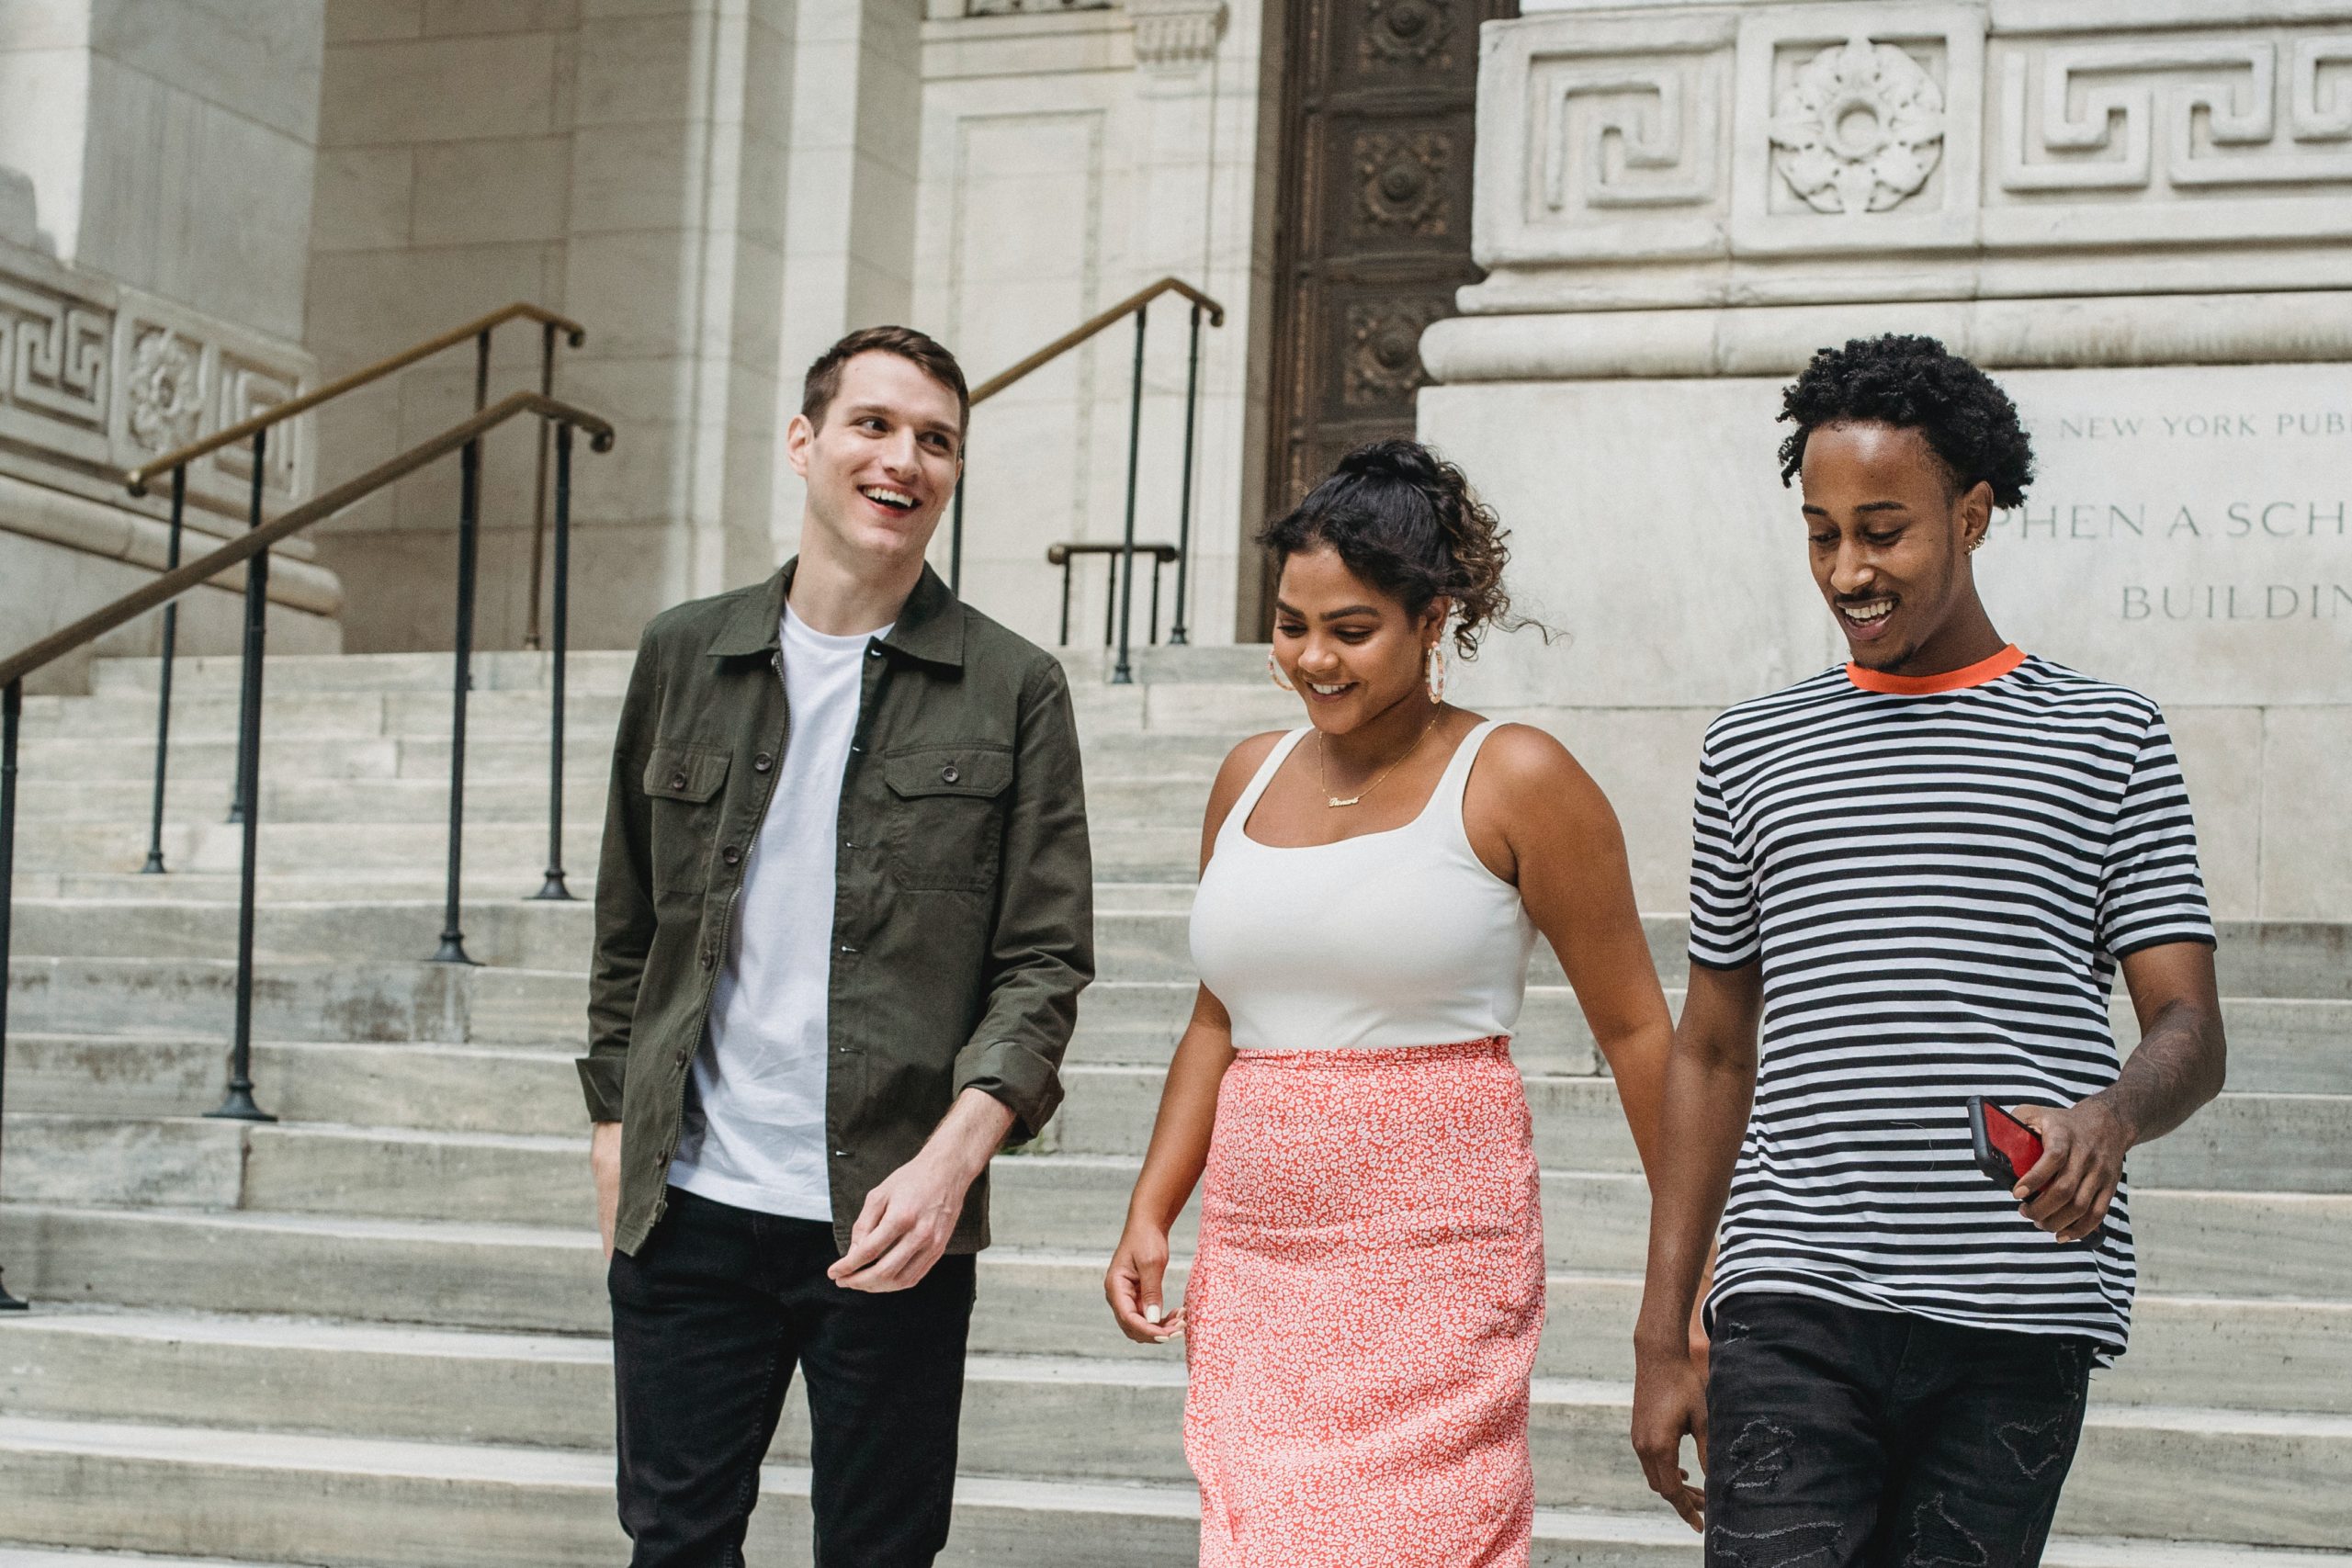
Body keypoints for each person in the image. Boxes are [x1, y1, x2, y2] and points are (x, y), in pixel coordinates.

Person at [1630, 334, 2229, 1566]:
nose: (1847, 568)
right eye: (1821, 531)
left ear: (1972, 512)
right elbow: (1711, 1046)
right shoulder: (1751, 750)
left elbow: (2190, 1028)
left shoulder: (2108, 736)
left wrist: (2110, 1115)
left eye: (1884, 529)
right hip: (1792, 1295)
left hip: (2018, 1305)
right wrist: (1662, 1320)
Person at [1104, 440, 1677, 1568]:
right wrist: (1151, 1206)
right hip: (1261, 1258)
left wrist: (1695, 1263)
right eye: (1288, 624)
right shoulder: (1247, 774)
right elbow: (1217, 1019)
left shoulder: (1516, 775)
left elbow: (1637, 1034)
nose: (1311, 659)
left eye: (1349, 629)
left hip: (1434, 1251)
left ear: (1433, 619)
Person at [579, 324, 1094, 1566]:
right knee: (674, 1542)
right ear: (805, 443)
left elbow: (1043, 960)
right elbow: (628, 920)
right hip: (691, 1204)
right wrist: (613, 1124)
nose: (903, 458)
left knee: (880, 1550)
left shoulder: (1012, 686)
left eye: (936, 439)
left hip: (891, 1212)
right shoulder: (683, 652)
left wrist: (952, 1160)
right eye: (873, 424)